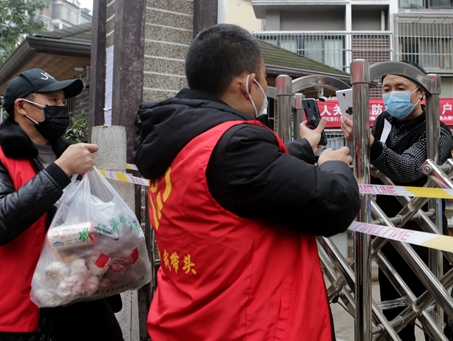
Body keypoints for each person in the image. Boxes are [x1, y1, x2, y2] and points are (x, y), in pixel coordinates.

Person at [133, 24, 360, 340]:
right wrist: (332, 165)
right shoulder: (237, 145)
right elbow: (337, 203)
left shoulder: (179, 139)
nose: (265, 88)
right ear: (248, 83)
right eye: (264, 78)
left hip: (189, 320)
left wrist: (304, 147)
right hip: (247, 326)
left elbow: (243, 180)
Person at [0, 68, 124, 341]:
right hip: (9, 311)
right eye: (52, 100)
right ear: (22, 106)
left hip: (75, 296)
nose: (61, 108)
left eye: (62, 102)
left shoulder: (68, 154)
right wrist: (60, 170)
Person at [341, 62, 453, 341]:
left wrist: (371, 146)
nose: (392, 95)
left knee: (433, 313)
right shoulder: (383, 121)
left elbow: (410, 169)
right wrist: (360, 148)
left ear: (420, 92)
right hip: (387, 229)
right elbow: (372, 163)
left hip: (425, 233)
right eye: (387, 89)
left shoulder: (436, 131)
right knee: (394, 314)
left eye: (400, 88)